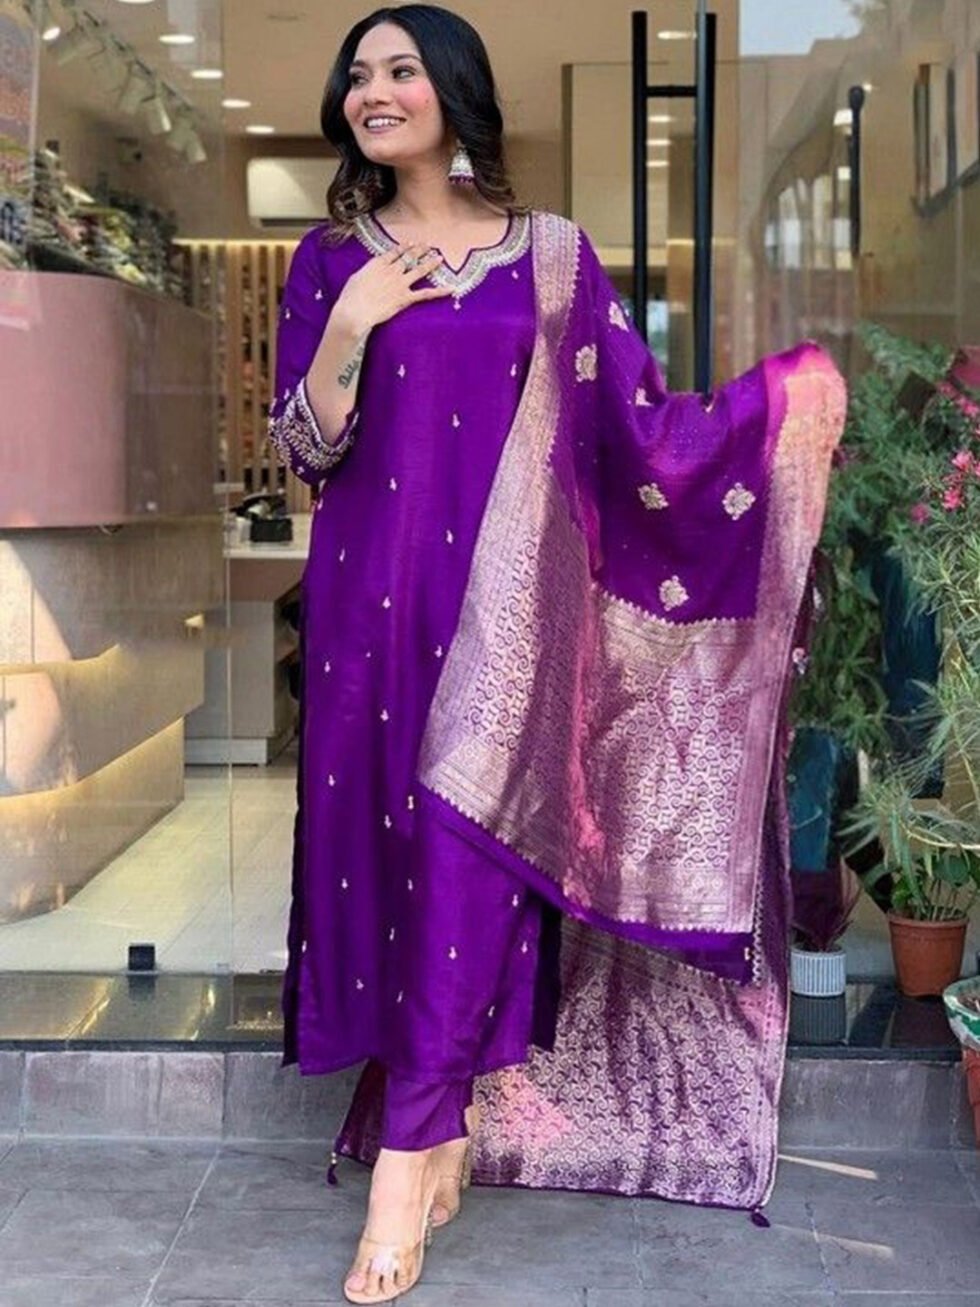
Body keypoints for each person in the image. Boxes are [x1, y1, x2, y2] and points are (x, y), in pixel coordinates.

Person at [268, 6, 846, 1302]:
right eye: (357, 75)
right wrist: (352, 324)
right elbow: (305, 448)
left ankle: (410, 1154)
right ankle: (438, 1128)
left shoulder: (555, 257)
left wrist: (777, 417)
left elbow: (633, 427)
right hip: (370, 618)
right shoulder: (329, 259)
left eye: (400, 69)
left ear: (454, 91)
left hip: (510, 626)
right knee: (387, 855)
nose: (372, 91)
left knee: (468, 864)